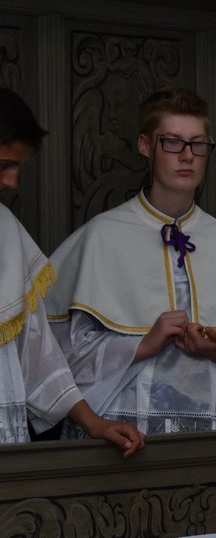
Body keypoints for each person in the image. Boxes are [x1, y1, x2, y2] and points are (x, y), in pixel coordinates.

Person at [45, 86, 216, 434]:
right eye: (172, 142)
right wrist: (142, 344)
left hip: (214, 433)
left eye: (198, 144)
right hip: (120, 430)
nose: (187, 156)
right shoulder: (101, 237)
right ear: (145, 145)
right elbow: (54, 358)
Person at [0, 89, 142, 455]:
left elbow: (37, 352)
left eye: (18, 167)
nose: (12, 181)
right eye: (3, 165)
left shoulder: (7, 231)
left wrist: (93, 422)